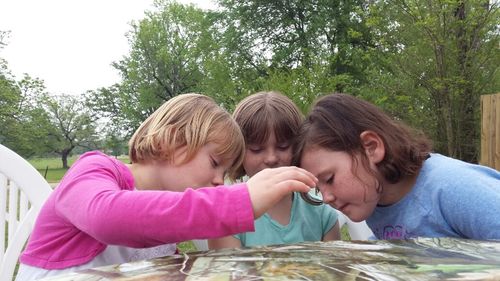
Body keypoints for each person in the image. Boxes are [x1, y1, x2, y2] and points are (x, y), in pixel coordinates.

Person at [16, 93, 318, 280]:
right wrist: (239, 201)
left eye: (225, 172)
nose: (218, 180)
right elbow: (109, 218)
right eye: (215, 162)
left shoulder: (164, 237)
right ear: (172, 139)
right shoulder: (95, 170)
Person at [294, 93, 500, 240]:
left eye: (329, 178)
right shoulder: (376, 203)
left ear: (371, 147)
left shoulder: (454, 189)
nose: (326, 198)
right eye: (319, 189)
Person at [209, 91, 340, 250]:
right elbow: (228, 272)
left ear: (299, 146)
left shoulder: (322, 213)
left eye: (283, 147)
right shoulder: (226, 216)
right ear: (239, 152)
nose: (271, 158)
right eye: (256, 149)